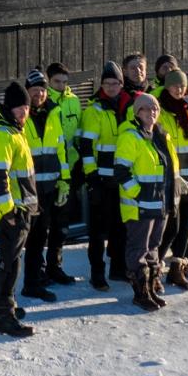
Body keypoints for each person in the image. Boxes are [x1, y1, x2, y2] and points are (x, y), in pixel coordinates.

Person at [0, 82, 38, 337]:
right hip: (13, 210)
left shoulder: (14, 130)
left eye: (26, 108)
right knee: (11, 263)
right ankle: (4, 315)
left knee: (7, 258)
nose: (24, 113)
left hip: (19, 206)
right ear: (8, 107)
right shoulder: (2, 134)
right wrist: (9, 212)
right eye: (20, 108)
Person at [112, 94, 175, 310]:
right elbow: (121, 171)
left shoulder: (158, 136)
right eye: (146, 109)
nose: (152, 113)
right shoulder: (130, 137)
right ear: (136, 113)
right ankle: (140, 293)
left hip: (159, 205)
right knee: (138, 249)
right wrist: (139, 194)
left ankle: (150, 287)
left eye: (155, 108)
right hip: (139, 206)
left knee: (154, 248)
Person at [21, 69, 75, 293]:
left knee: (50, 232)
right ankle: (32, 282)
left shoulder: (54, 112)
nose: (40, 94)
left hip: (52, 186)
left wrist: (65, 179)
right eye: (35, 90)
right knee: (33, 238)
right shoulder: (22, 117)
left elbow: (60, 149)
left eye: (42, 90)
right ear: (27, 92)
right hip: (31, 189)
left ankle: (48, 272)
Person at [76, 61, 128, 290]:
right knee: (97, 232)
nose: (111, 87)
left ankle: (118, 268)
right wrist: (92, 177)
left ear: (121, 84)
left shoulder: (129, 107)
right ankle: (97, 273)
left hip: (122, 178)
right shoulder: (94, 110)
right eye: (107, 83)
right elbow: (86, 147)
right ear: (102, 85)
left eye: (115, 83)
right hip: (101, 180)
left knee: (120, 226)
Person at [155, 69, 188, 289]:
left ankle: (176, 268)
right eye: (175, 86)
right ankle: (154, 268)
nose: (179, 90)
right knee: (169, 225)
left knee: (185, 225)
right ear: (167, 86)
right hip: (170, 179)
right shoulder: (160, 110)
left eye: (182, 86)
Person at [47, 61, 84, 234]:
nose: (61, 86)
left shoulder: (74, 101)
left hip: (70, 165)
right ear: (48, 81)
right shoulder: (43, 101)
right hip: (48, 166)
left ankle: (57, 256)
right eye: (57, 81)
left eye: (64, 82)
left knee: (64, 215)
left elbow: (78, 131)